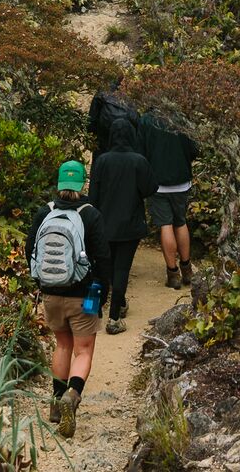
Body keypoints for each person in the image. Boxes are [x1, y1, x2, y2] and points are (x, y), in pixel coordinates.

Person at [25, 159, 108, 439]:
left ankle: (55, 403)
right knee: (83, 350)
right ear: (82, 183)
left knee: (62, 345)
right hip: (84, 294)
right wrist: (102, 292)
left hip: (51, 292)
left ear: (60, 184)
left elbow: (30, 252)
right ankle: (72, 396)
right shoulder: (91, 215)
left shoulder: (43, 213)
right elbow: (103, 259)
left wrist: (42, 282)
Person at [87, 118, 156, 335]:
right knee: (121, 270)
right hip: (130, 225)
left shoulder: (102, 161)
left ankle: (91, 313)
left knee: (99, 270)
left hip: (103, 225)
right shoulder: (139, 161)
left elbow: (93, 196)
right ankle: (114, 317)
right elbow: (150, 188)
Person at [139, 112, 200, 289]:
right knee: (180, 223)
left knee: (165, 225)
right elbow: (194, 150)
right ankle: (187, 269)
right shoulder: (180, 116)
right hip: (181, 181)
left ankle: (173, 274)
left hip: (157, 182)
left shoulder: (146, 120)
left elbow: (140, 151)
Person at [86, 78, 140, 158]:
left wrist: (91, 138)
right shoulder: (130, 94)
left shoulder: (101, 94)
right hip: (127, 141)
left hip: (103, 139)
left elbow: (92, 120)